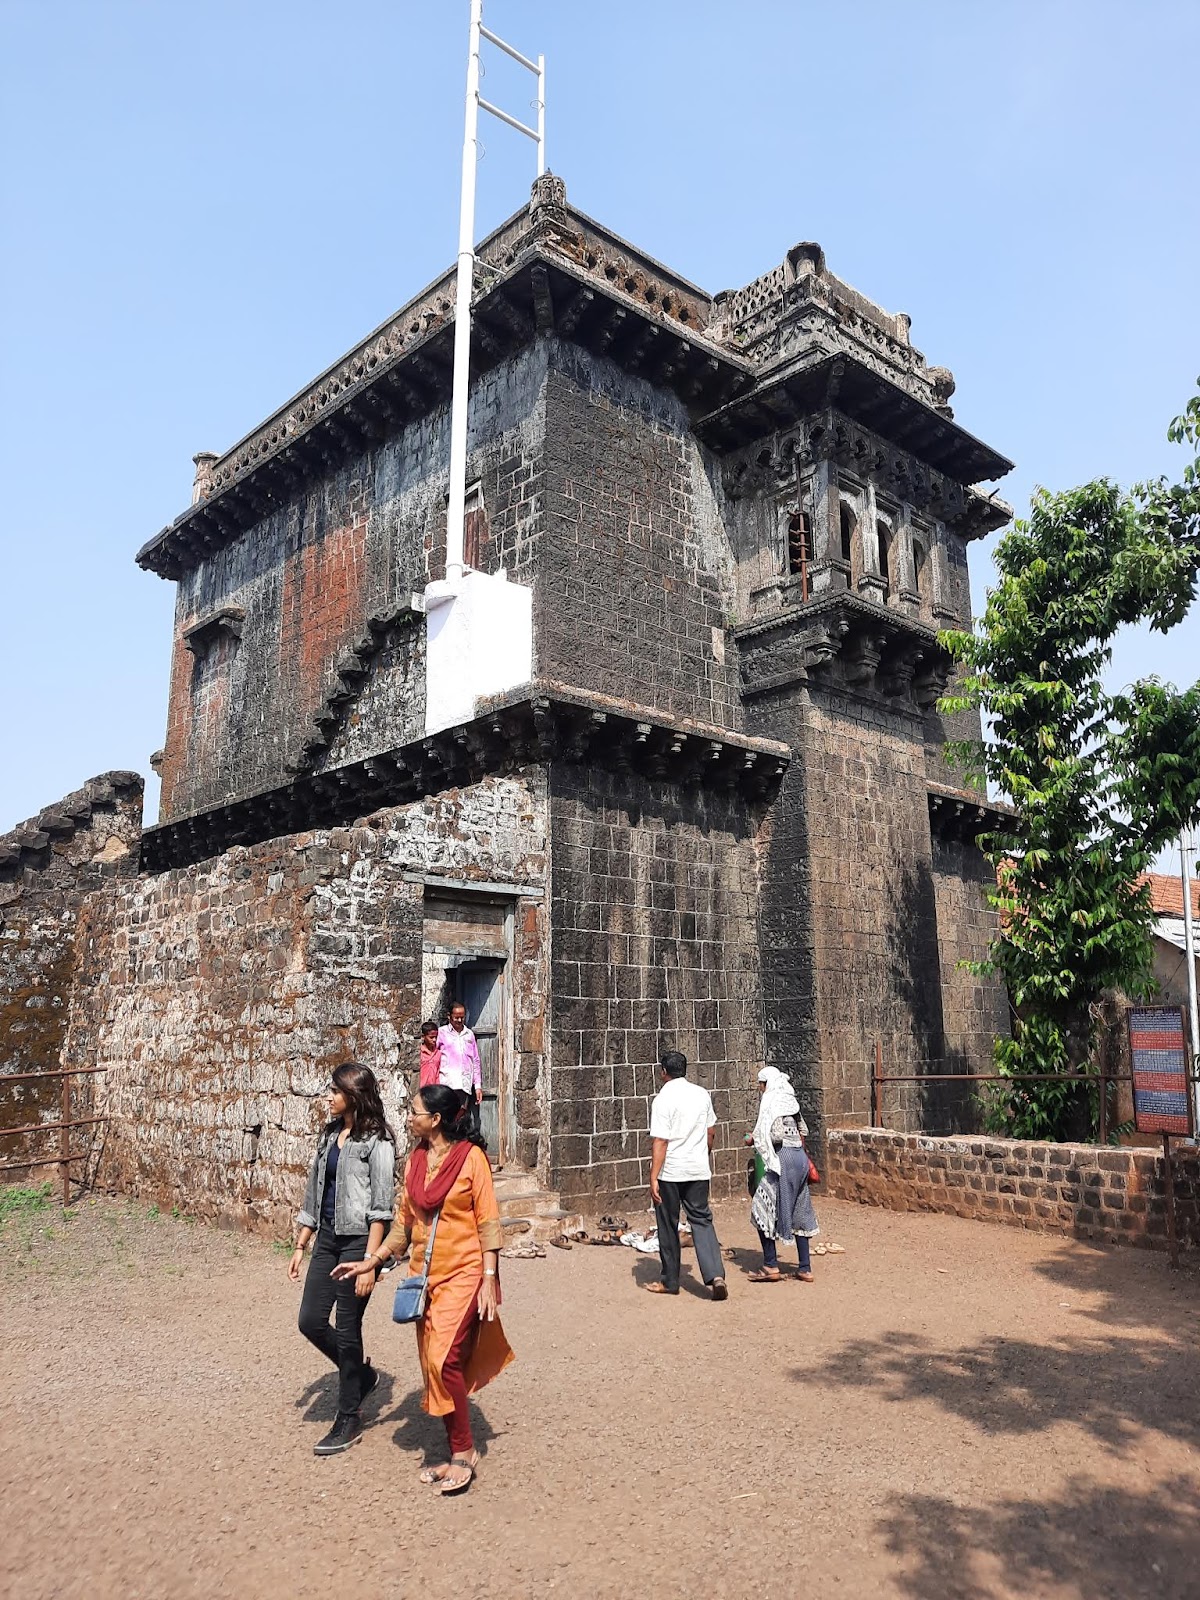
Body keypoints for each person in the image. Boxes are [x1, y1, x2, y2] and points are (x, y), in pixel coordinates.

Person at [334, 1083, 513, 1494]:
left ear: (435, 1119)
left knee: (443, 1356)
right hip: (424, 1276)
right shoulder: (416, 1160)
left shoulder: (472, 1160)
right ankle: (457, 1446)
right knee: (436, 1364)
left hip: (466, 1272)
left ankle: (464, 1451)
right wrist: (373, 1260)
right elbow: (403, 1224)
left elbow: (488, 1222)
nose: (408, 1115)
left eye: (414, 1111)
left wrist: (489, 1278)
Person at [290, 1062, 397, 1455]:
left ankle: (348, 1415)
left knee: (349, 1328)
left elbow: (382, 1208)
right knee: (310, 1321)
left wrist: (372, 1261)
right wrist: (302, 1242)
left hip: (358, 1244)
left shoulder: (378, 1142)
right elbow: (314, 1188)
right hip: (328, 1239)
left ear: (353, 1095)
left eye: (335, 1091)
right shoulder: (330, 1134)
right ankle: (362, 1375)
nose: (329, 1097)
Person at [646, 1050, 728, 1300]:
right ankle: (716, 1275)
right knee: (702, 1220)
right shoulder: (701, 1094)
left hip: (671, 1171)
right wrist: (704, 1154)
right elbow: (711, 1131)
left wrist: (653, 1176)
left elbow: (661, 1141)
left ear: (663, 1072)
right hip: (697, 1169)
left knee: (668, 1224)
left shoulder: (662, 1099)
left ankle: (670, 1280)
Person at [748, 1066, 820, 1283]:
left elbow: (776, 1134)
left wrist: (756, 1139)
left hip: (784, 1160)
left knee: (761, 1209)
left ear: (767, 1083)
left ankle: (770, 1264)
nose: (760, 1089)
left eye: (761, 1084)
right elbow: (803, 1130)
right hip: (799, 1158)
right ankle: (805, 1268)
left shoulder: (772, 1102)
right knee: (800, 1210)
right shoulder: (791, 1102)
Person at [437, 1002, 483, 1140]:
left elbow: (475, 1060)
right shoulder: (441, 1033)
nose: (459, 1020)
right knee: (446, 1119)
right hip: (447, 1083)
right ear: (449, 1016)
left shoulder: (469, 1035)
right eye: (456, 1017)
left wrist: (478, 1086)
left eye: (462, 1017)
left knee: (460, 1118)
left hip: (464, 1084)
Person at [419, 1019, 442, 1089]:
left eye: (436, 1037)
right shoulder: (419, 1053)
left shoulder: (438, 1053)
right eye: (431, 1037)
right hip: (421, 1089)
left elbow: (438, 1073)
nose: (434, 1040)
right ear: (423, 1036)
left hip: (434, 1089)